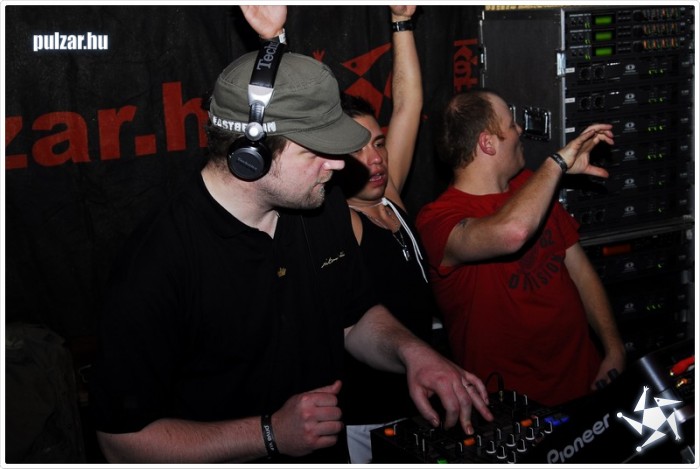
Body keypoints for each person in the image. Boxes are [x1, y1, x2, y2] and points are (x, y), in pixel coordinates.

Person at [89, 6, 493, 464]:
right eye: (316, 151)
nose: (338, 164)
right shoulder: (158, 264)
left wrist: (414, 353)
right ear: (251, 156)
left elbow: (355, 316)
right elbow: (120, 442)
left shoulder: (320, 208)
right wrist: (269, 434)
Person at [415, 89, 627, 408]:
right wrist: (556, 164)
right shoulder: (437, 219)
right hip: (515, 407)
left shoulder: (530, 186)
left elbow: (580, 272)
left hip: (585, 382)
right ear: (488, 143)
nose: (521, 130)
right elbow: (513, 232)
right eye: (512, 125)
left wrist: (613, 347)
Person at [335, 6, 441, 464]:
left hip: (417, 399)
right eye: (357, 150)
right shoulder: (339, 220)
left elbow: (409, 105)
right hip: (366, 416)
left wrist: (401, 21)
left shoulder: (387, 196)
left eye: (377, 143)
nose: (376, 158)